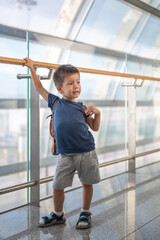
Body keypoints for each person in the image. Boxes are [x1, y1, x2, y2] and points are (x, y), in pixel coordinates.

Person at [24, 57, 101, 229]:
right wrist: (32, 68)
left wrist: (98, 114)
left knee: (86, 183)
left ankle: (85, 212)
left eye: (78, 82)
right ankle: (58, 215)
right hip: (65, 155)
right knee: (57, 186)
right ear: (60, 88)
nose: (76, 86)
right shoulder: (55, 102)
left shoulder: (82, 108)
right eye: (71, 83)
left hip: (86, 152)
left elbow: (94, 128)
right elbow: (38, 87)